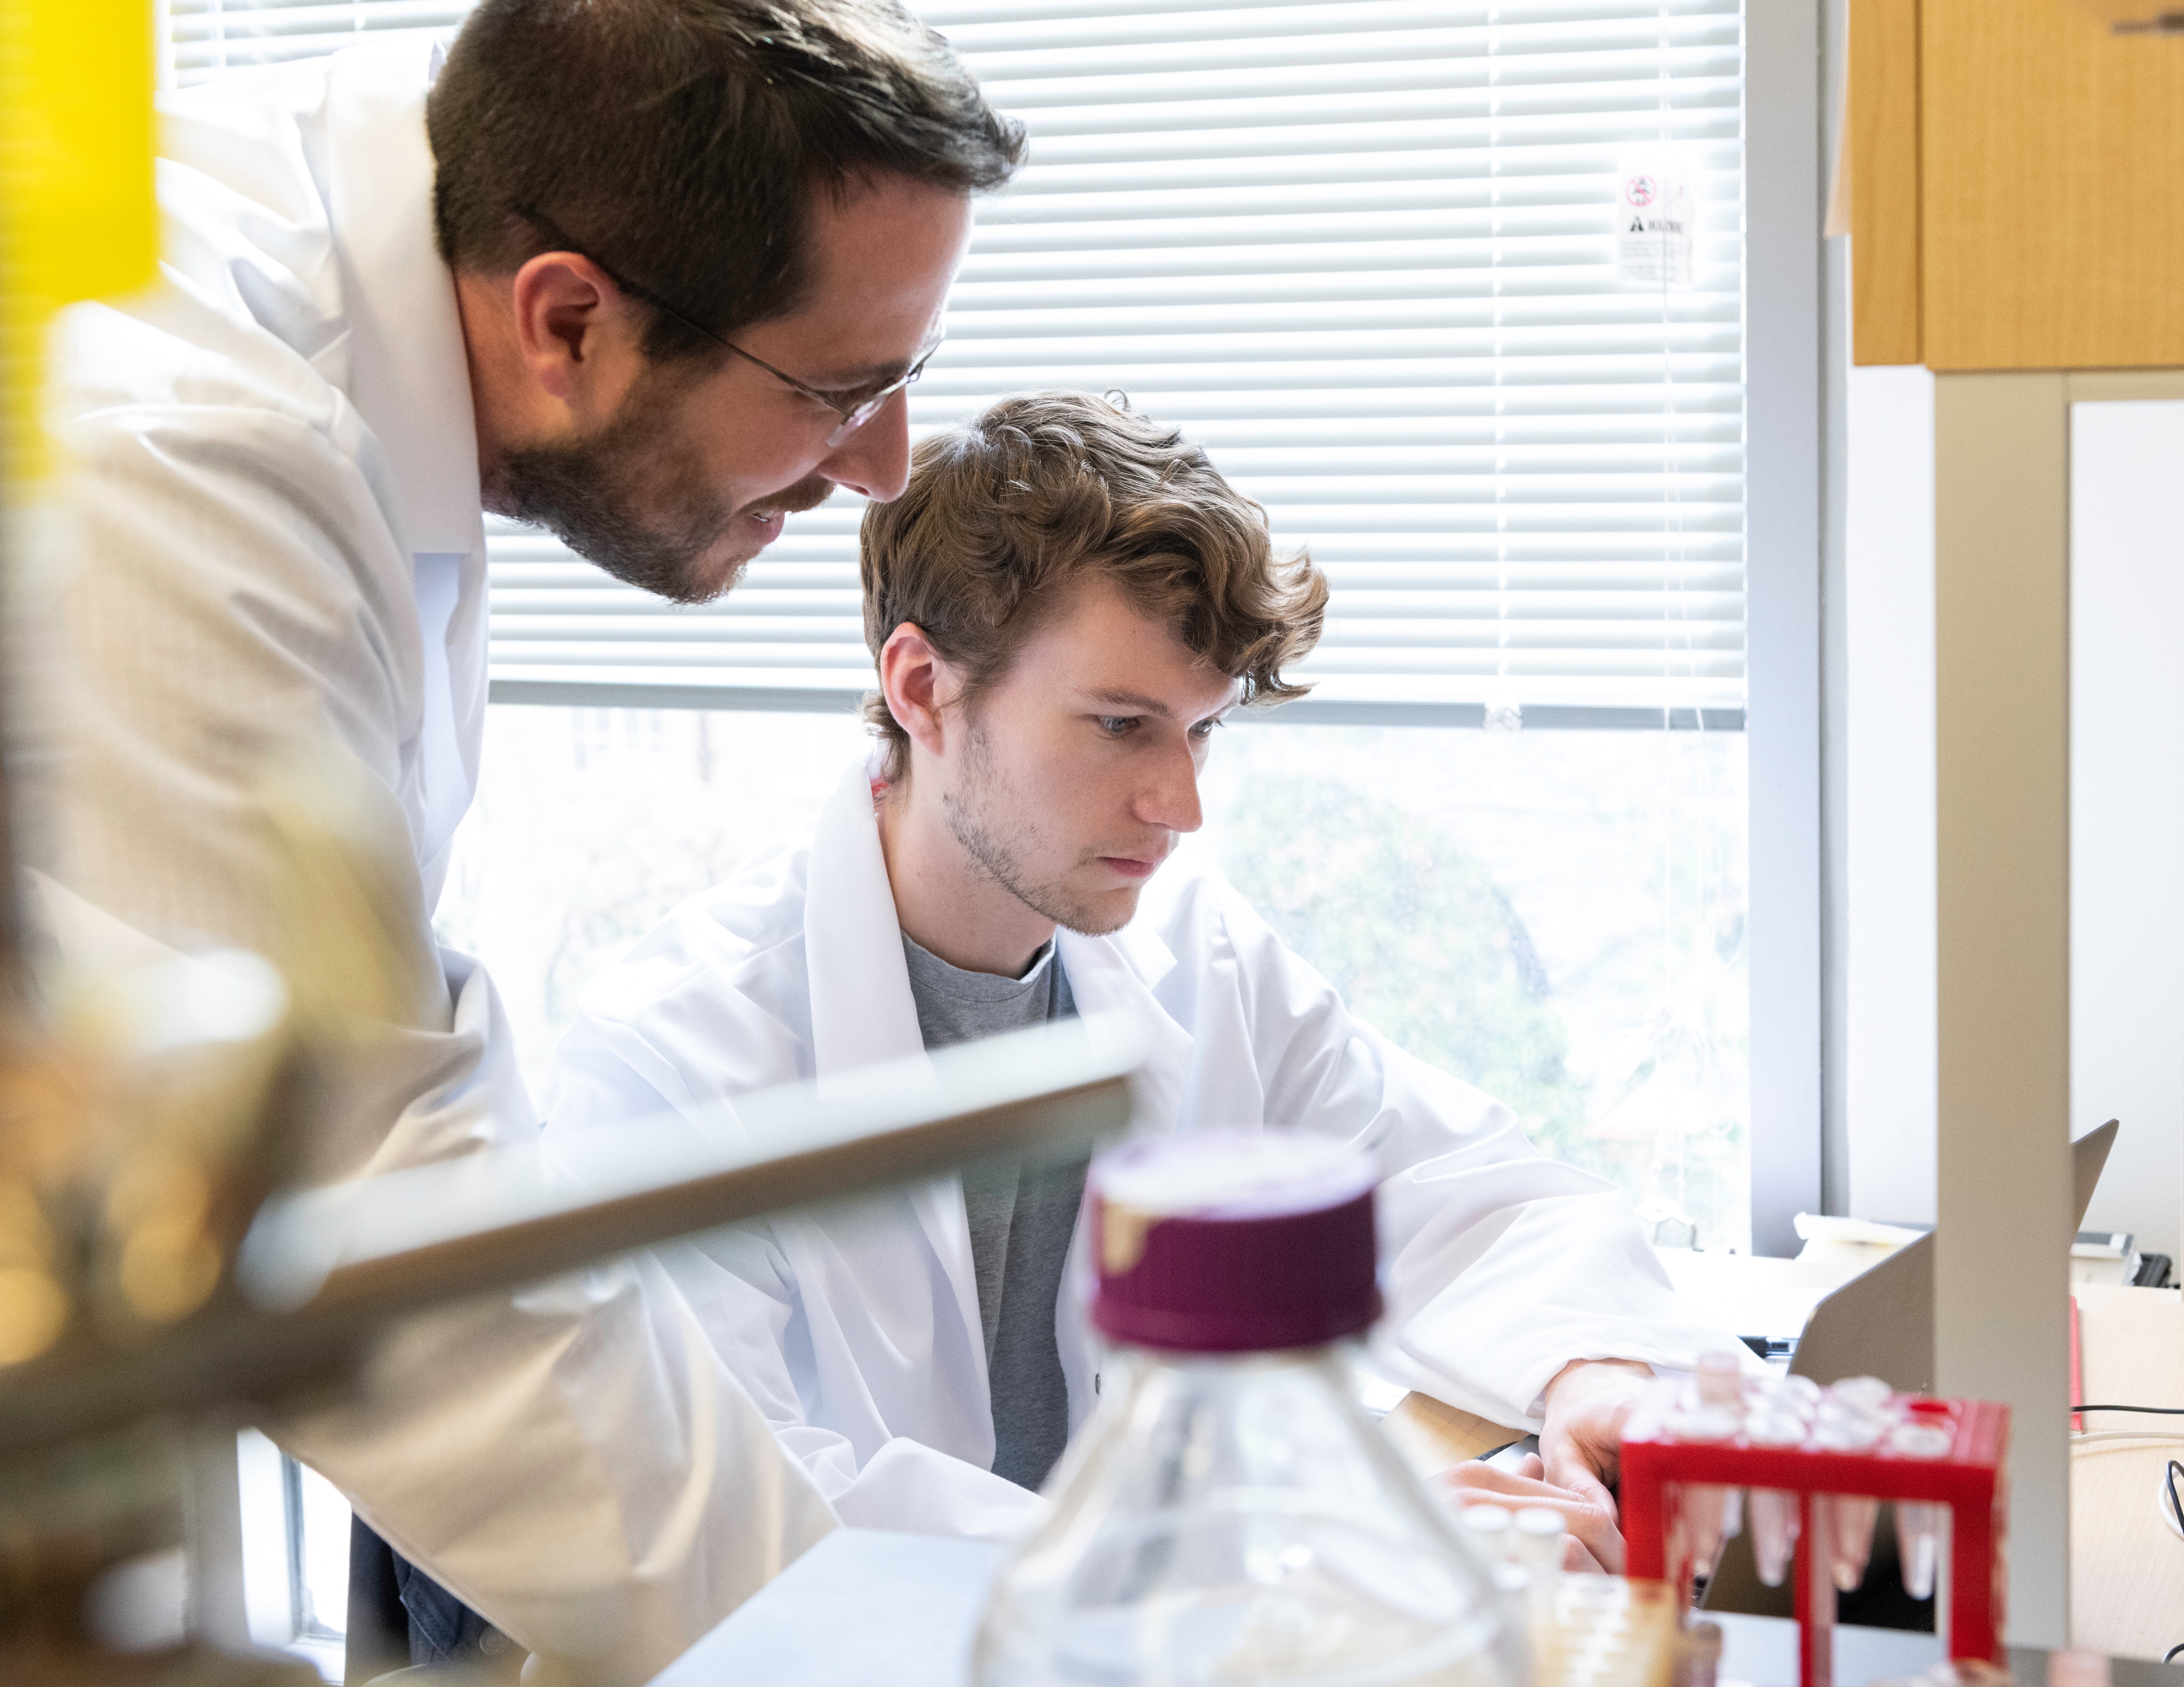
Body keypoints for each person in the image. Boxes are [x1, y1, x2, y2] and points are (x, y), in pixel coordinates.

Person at [20, 0, 1022, 1680]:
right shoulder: (174, 473)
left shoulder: (466, 200)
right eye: (841, 387)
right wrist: (861, 1651)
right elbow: (367, 1201)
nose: (884, 466)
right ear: (565, 321)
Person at [542, 390, 1756, 1572]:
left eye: (1202, 731)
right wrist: (1297, 1543)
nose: (1180, 806)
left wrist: (1594, 1371)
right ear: (923, 688)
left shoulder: (1191, 957)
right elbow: (744, 1520)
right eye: (1121, 725)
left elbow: (1461, 1193)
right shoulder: (678, 1053)